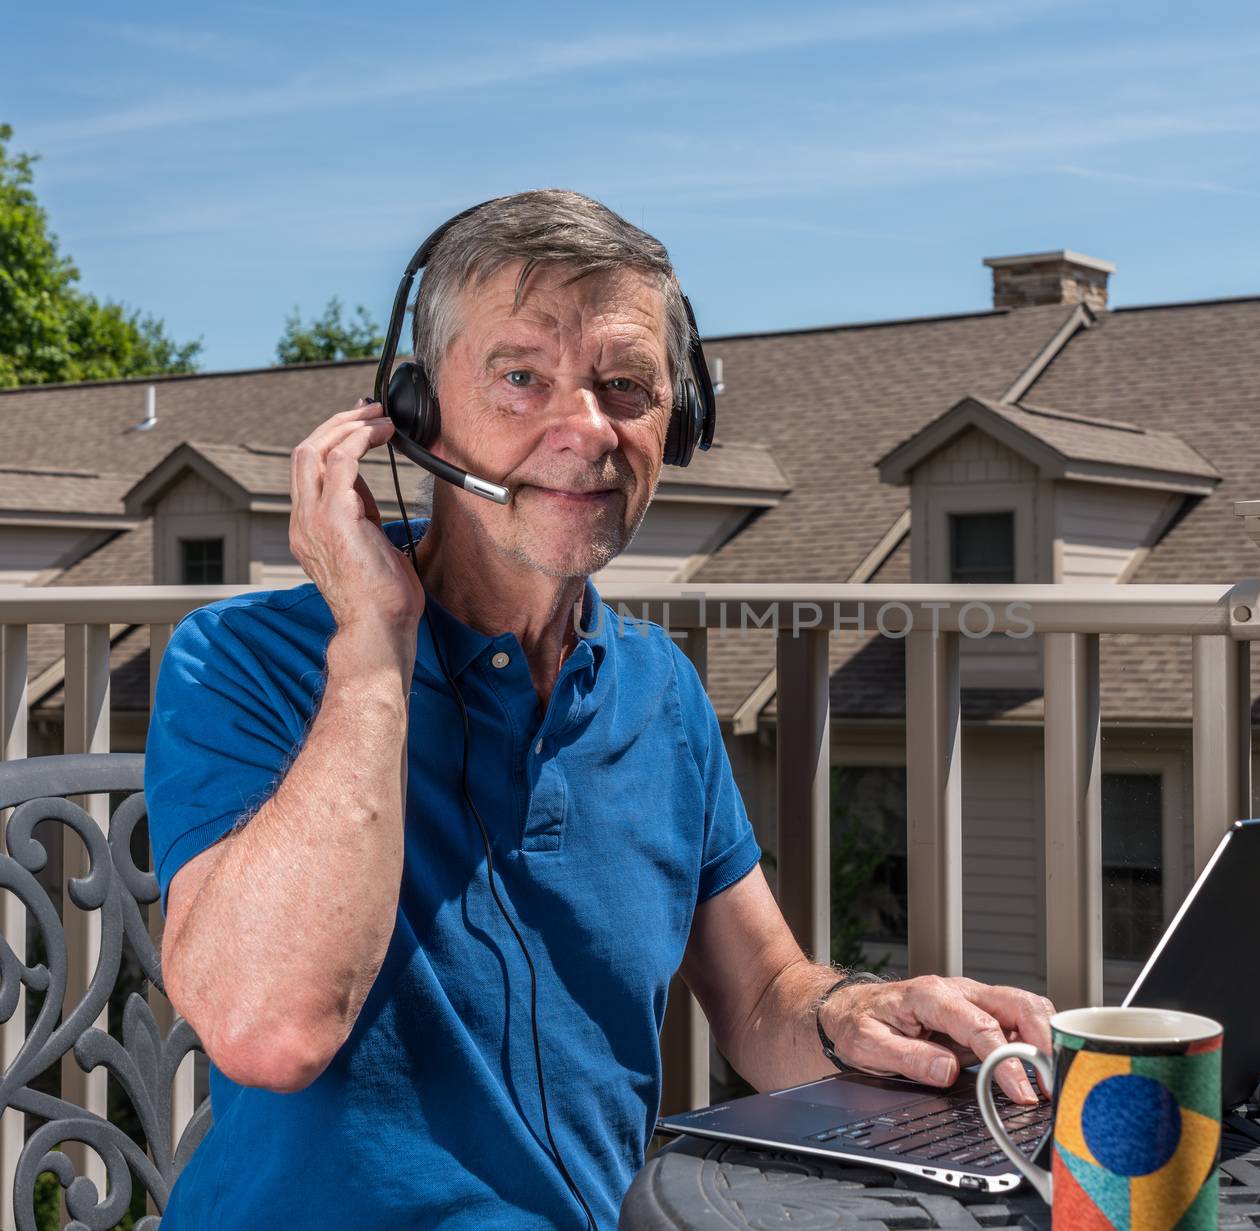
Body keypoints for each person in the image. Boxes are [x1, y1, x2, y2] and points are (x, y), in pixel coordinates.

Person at [146, 189, 1055, 1229]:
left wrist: (859, 1014)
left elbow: (761, 1000)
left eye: (625, 385)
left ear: (682, 420)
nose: (585, 429)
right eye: (521, 377)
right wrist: (372, 643)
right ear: (413, 415)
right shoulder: (242, 660)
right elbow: (271, 1030)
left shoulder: (658, 689)